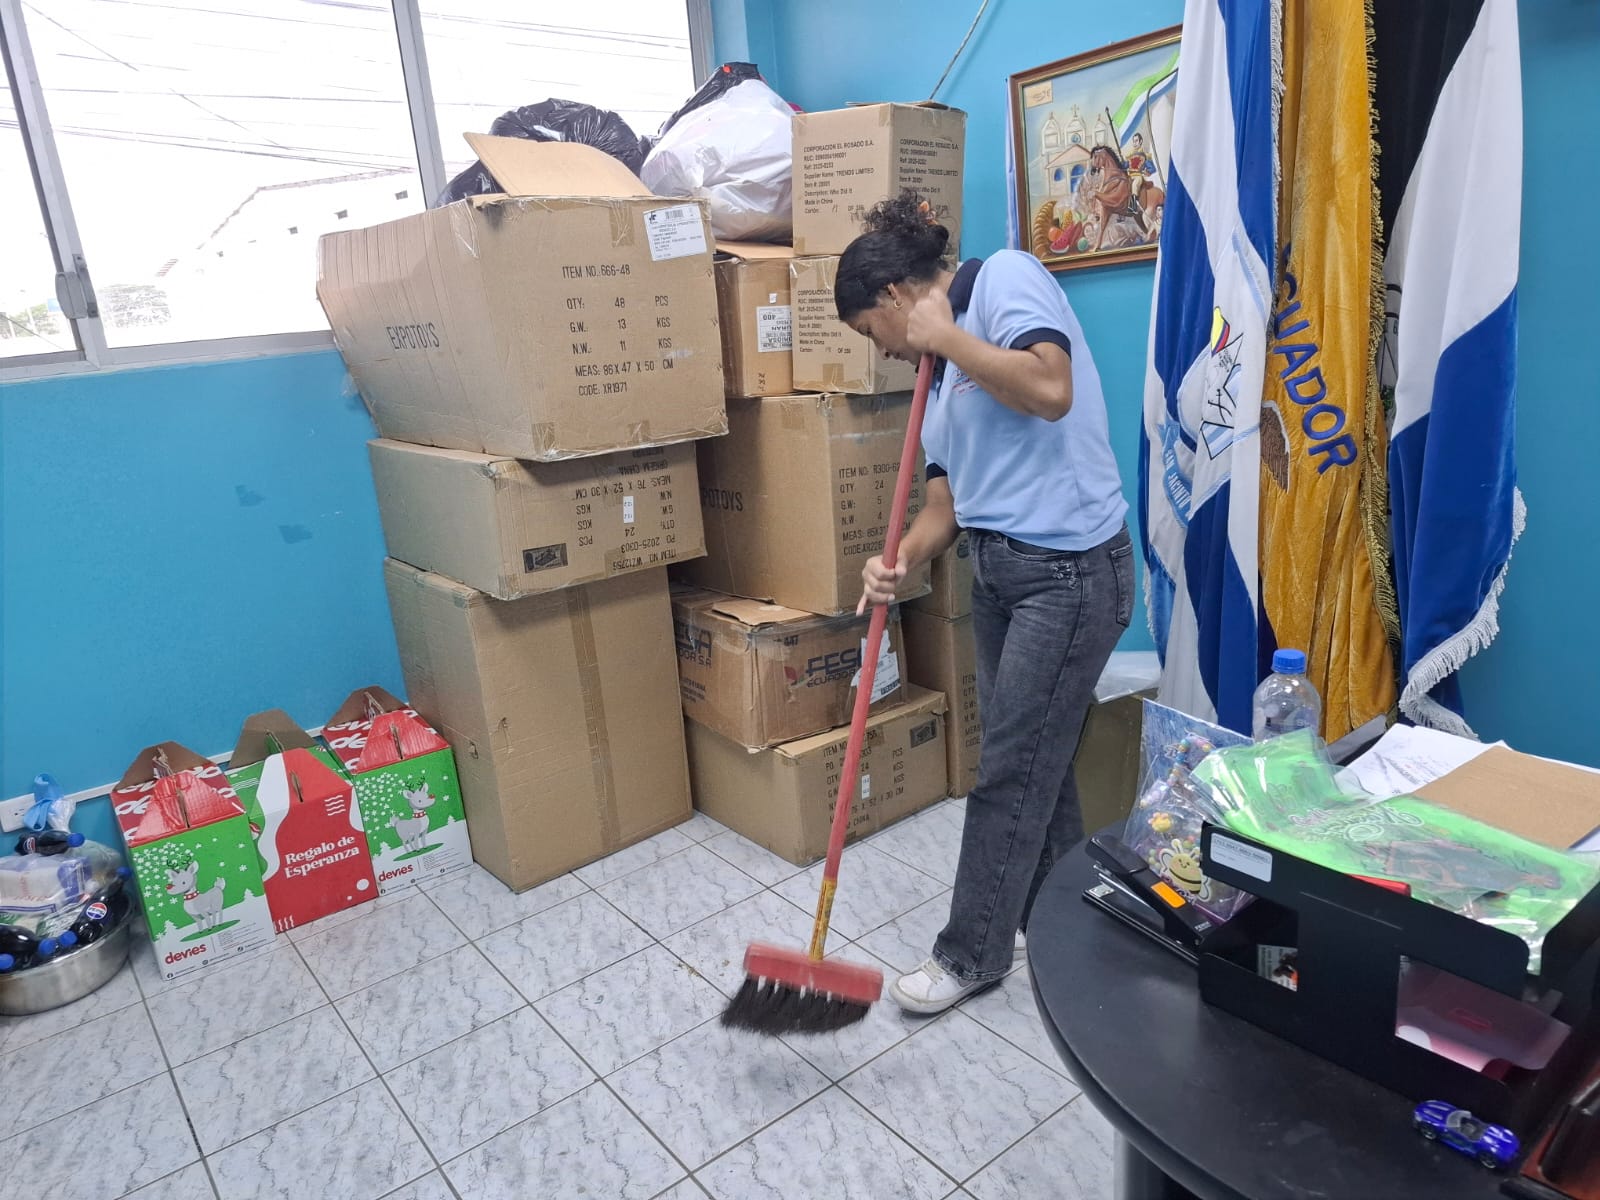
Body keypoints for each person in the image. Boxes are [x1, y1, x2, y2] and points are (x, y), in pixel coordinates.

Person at [836, 192, 1133, 1014]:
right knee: (1038, 760)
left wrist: (948, 339)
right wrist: (900, 559)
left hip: (1071, 573)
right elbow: (945, 508)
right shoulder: (933, 382)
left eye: (871, 330)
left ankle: (971, 954)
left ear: (895, 295)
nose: (882, 349)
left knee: (1008, 768)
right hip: (1000, 577)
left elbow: (1050, 388)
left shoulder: (1004, 278)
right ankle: (1062, 915)